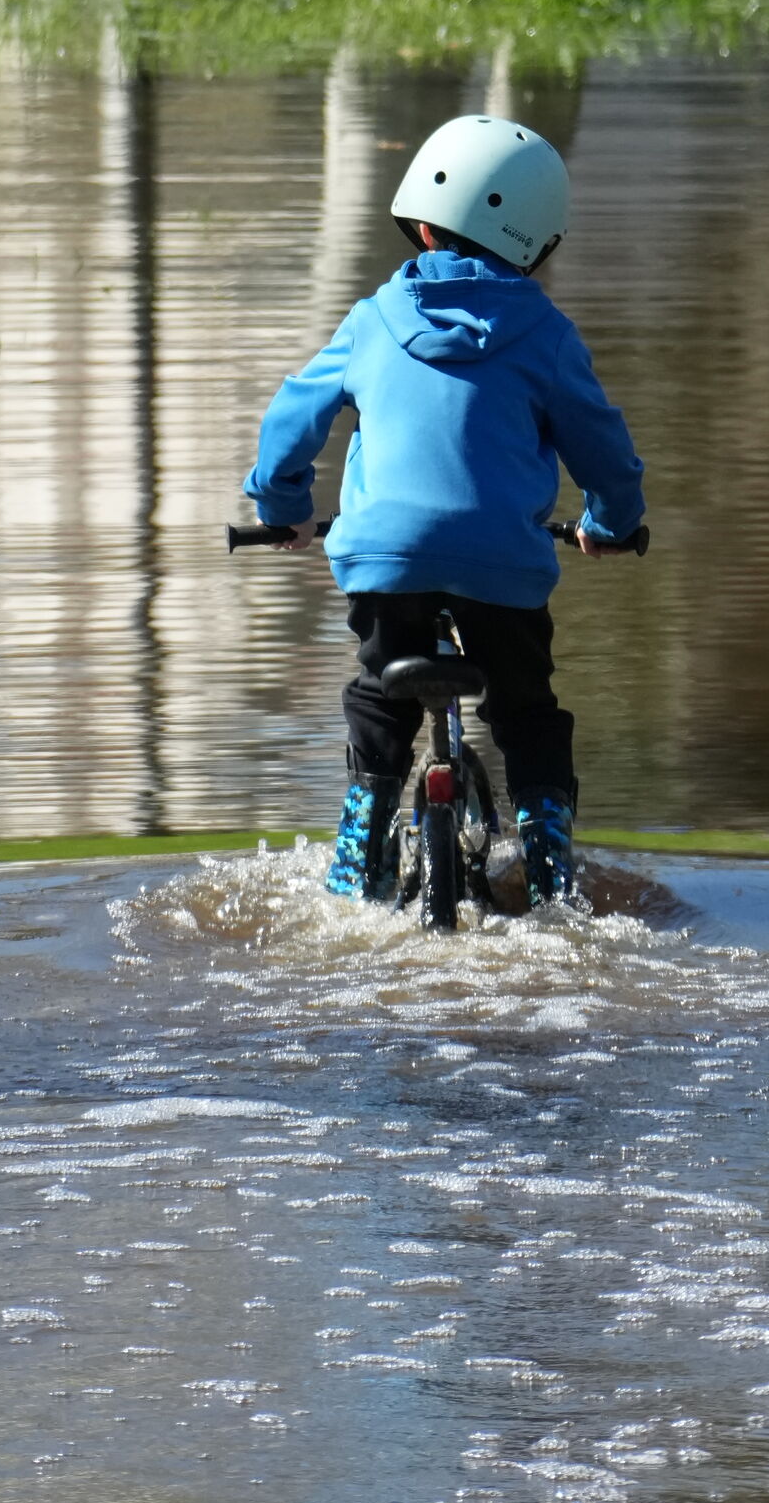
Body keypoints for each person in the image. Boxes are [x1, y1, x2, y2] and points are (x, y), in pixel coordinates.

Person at [240, 112, 646, 908]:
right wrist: (610, 523)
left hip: (383, 560)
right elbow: (606, 450)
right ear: (540, 242)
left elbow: (291, 422)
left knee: (378, 693)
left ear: (421, 226)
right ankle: (551, 872)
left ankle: (360, 840)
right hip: (505, 568)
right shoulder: (546, 335)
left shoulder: (372, 321)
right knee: (526, 710)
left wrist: (284, 505)